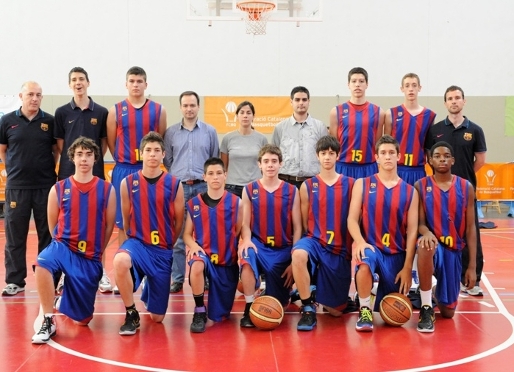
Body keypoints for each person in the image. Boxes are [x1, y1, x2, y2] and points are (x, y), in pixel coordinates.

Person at [31, 137, 116, 344]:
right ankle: (48, 319)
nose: (84, 159)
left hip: (89, 257)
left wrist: (97, 253)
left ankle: (64, 299)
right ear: (72, 158)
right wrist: (58, 249)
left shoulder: (107, 189)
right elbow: (53, 226)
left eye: (88, 154)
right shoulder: (58, 189)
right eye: (79, 154)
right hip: (63, 246)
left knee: (83, 321)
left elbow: (108, 227)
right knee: (43, 262)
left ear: (95, 158)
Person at [113, 132, 184, 335]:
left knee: (157, 318)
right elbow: (126, 220)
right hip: (138, 244)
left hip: (162, 250)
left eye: (156, 151)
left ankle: (148, 290)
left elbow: (179, 221)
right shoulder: (127, 182)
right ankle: (131, 313)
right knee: (120, 261)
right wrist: (131, 241)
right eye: (148, 150)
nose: (152, 154)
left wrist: (168, 242)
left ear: (163, 155)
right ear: (141, 154)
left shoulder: (174, 184)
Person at [347, 135, 418, 332]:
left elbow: (412, 232)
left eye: (391, 153)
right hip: (373, 248)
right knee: (364, 262)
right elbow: (352, 219)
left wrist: (407, 267)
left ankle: (374, 299)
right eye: (383, 153)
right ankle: (364, 310)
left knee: (390, 314)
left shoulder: (411, 191)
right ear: (376, 158)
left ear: (399, 157)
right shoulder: (363, 184)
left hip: (396, 254)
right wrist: (360, 242)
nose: (387, 157)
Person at [54, 66, 112, 293]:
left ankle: (100, 271)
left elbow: (104, 143)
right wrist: (75, 162)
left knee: (97, 225)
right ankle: (66, 273)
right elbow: (61, 145)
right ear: (70, 85)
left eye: (81, 79)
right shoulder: (61, 112)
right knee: (66, 226)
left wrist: (92, 161)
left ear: (88, 82)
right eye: (74, 80)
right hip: (69, 176)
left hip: (94, 177)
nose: (78, 83)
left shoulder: (101, 112)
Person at [425, 85, 487, 296]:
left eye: (457, 98)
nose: (454, 101)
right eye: (450, 98)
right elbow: (429, 157)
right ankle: (441, 279)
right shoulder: (435, 130)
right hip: (440, 194)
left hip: (464, 193)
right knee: (441, 234)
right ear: (445, 103)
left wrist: (463, 176)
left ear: (464, 101)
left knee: (471, 235)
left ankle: (473, 279)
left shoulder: (475, 130)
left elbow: (480, 161)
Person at [291, 135, 355, 331]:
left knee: (335, 312)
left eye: (331, 153)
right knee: (299, 254)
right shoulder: (308, 186)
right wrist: (303, 242)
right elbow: (303, 221)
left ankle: (313, 287)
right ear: (317, 156)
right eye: (323, 153)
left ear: (337, 156)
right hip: (315, 242)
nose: (327, 157)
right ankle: (308, 308)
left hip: (339, 249)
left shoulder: (351, 184)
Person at [0, 81, 58, 296]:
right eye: (30, 94)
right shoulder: (7, 121)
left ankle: (48, 277)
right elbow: (3, 150)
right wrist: (15, 170)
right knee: (15, 236)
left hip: (45, 187)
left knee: (48, 236)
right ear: (21, 96)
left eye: (38, 95)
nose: (34, 98)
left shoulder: (50, 121)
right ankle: (15, 281)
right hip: (17, 188)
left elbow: (56, 151)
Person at [415, 141, 476, 333]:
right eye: (438, 156)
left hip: (454, 249)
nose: (442, 159)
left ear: (453, 160)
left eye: (446, 155)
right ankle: (426, 307)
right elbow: (420, 223)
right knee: (425, 246)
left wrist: (472, 266)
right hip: (433, 244)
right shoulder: (421, 185)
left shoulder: (466, 187)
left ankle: (435, 291)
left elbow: (471, 228)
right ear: (430, 161)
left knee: (448, 312)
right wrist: (427, 233)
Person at [239, 144, 302, 327]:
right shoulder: (250, 189)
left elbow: (298, 227)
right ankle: (249, 306)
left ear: (281, 164)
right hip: (259, 245)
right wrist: (247, 241)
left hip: (283, 249)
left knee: (279, 304)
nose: (270, 165)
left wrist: (293, 258)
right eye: (266, 161)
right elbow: (245, 223)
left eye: (274, 161)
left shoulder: (292, 191)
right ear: (259, 164)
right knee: (246, 258)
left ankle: (288, 293)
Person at [164, 91, 219, 293]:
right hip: (178, 188)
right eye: (185, 105)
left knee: (204, 235)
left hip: (202, 187)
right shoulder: (170, 133)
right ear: (180, 107)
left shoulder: (209, 132)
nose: (189, 109)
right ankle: (177, 278)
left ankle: (204, 276)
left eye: (192, 105)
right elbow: (167, 161)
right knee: (178, 234)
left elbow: (213, 160)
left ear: (198, 107)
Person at [106, 66, 167, 250]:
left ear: (146, 84)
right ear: (126, 84)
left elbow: (160, 139)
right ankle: (126, 268)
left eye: (139, 81)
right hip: (124, 168)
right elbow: (111, 142)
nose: (136, 85)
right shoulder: (115, 110)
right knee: (123, 221)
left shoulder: (158, 110)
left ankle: (148, 266)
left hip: (148, 171)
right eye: (132, 81)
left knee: (149, 219)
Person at [183, 157, 242, 333]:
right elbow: (186, 234)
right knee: (197, 264)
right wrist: (193, 246)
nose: (215, 177)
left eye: (218, 173)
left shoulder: (236, 202)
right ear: (204, 176)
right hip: (204, 256)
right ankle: (199, 309)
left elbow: (239, 231)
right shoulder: (194, 204)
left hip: (226, 262)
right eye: (211, 174)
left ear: (225, 175)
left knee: (220, 316)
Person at [329, 67, 386, 179]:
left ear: (367, 84)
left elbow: (378, 142)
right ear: (348, 85)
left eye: (361, 81)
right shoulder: (336, 111)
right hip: (343, 166)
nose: (357, 85)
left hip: (369, 166)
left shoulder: (378, 112)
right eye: (354, 81)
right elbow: (334, 143)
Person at [384, 73, 436, 185]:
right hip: (396, 169)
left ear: (419, 88)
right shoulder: (391, 114)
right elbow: (386, 145)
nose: (411, 89)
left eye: (414, 85)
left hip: (418, 170)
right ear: (402, 89)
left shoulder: (429, 115)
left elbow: (429, 147)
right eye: (407, 86)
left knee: (417, 202)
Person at [271, 86, 328, 189]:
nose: (301, 103)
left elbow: (325, 155)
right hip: (286, 182)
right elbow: (273, 156)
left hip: (313, 182)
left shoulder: (320, 127)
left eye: (304, 99)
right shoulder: (280, 128)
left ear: (309, 101)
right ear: (291, 102)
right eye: (297, 100)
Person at [220, 101, 268, 198]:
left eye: (248, 113)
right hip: (232, 187)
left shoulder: (262, 139)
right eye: (242, 113)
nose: (245, 116)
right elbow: (223, 166)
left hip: (255, 187)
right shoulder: (227, 138)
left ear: (253, 116)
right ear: (237, 116)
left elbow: (265, 166)